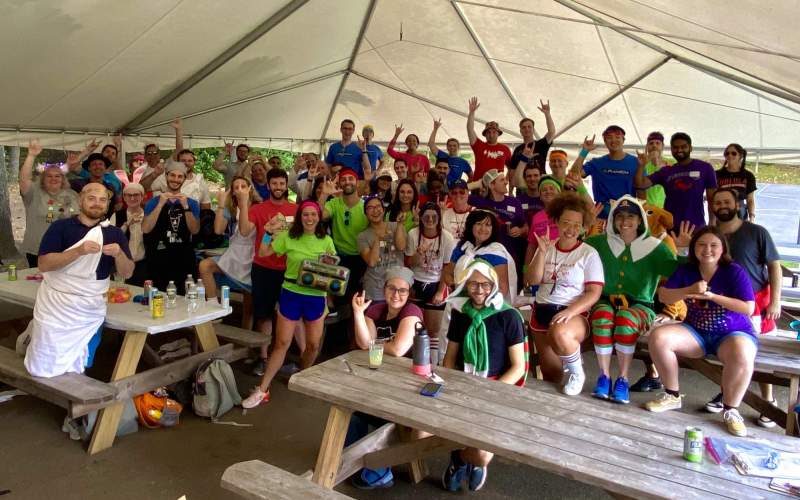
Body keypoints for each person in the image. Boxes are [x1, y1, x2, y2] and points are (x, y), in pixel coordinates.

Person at [644, 226, 757, 437]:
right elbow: (664, 296)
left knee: (742, 354)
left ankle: (731, 410)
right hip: (696, 332)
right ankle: (672, 394)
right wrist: (689, 291)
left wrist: (713, 297)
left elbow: (748, 308)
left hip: (732, 333)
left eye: (714, 245)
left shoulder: (733, 271)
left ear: (723, 249)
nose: (707, 250)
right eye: (701, 244)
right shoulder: (687, 271)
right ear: (694, 247)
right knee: (659, 337)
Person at [584, 196, 690, 404]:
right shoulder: (598, 243)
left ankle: (622, 379)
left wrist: (682, 251)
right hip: (605, 301)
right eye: (620, 216)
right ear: (613, 219)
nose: (625, 221)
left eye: (631, 216)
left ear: (640, 220)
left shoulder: (655, 247)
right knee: (603, 316)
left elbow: (678, 274)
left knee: (625, 320)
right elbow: (576, 253)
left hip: (640, 306)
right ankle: (604, 376)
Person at [25, 183, 134, 377]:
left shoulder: (114, 234)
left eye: (102, 200)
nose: (97, 204)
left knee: (81, 362)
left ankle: (72, 400)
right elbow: (44, 264)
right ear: (81, 200)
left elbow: (127, 273)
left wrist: (119, 254)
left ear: (108, 205)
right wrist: (79, 251)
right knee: (42, 364)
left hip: (90, 308)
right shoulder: (61, 227)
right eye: (92, 198)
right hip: (55, 306)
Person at [441, 260, 526, 492]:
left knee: (482, 455)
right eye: (473, 284)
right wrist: (452, 387)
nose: (479, 290)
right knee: (425, 431)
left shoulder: (509, 316)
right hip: (463, 383)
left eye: (486, 285)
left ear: (494, 285)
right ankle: (461, 458)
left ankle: (463, 459)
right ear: (465, 285)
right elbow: (450, 358)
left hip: (496, 386)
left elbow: (518, 366)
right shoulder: (460, 313)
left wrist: (489, 391)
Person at [242, 201, 336, 408]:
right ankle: (262, 389)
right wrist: (267, 232)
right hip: (291, 293)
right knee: (281, 344)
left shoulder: (326, 240)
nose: (309, 219)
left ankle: (302, 374)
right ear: (300, 217)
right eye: (305, 215)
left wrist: (328, 267)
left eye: (313, 215)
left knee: (312, 346)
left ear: (319, 217)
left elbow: (332, 269)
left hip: (315, 296)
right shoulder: (289, 237)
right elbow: (264, 253)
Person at [706, 188, 781, 427]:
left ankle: (768, 401)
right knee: (730, 350)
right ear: (712, 207)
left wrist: (775, 301)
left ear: (738, 204)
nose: (722, 205)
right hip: (725, 302)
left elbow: (774, 267)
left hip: (758, 302)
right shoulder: (711, 235)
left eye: (727, 201)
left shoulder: (757, 232)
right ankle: (728, 394)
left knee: (761, 352)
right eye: (717, 202)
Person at [345, 266, 424, 489]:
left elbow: (398, 349)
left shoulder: (412, 312)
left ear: (409, 293)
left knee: (383, 417)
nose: (396, 295)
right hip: (377, 377)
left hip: (407, 383)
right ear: (384, 288)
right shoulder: (376, 310)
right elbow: (362, 342)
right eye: (392, 288)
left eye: (402, 290)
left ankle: (379, 470)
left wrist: (372, 343)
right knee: (353, 413)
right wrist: (358, 314)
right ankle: (353, 462)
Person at [525, 192, 603, 395]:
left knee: (559, 332)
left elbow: (594, 292)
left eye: (577, 225)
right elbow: (532, 280)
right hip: (541, 311)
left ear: (583, 227)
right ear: (557, 222)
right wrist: (541, 252)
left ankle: (577, 371)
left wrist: (570, 311)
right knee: (551, 374)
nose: (571, 229)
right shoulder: (547, 247)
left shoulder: (588, 253)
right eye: (567, 223)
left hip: (572, 314)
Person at [239, 168, 297, 375]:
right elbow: (245, 230)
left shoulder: (296, 209)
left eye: (282, 183)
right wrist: (244, 201)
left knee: (289, 316)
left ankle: (283, 357)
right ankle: (263, 358)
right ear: (269, 185)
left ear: (286, 184)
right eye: (275, 184)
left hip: (290, 270)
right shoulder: (259, 208)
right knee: (263, 315)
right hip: (263, 268)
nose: (278, 187)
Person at [405, 202, 456, 363]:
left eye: (434, 217)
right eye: (427, 216)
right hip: (416, 283)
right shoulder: (413, 234)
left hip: (436, 284)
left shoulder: (447, 237)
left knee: (434, 331)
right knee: (415, 328)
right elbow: (408, 263)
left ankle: (433, 366)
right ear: (420, 218)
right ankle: (417, 362)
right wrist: (419, 254)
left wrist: (440, 291)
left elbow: (447, 267)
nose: (430, 220)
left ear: (439, 219)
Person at [141, 161, 200, 294]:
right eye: (172, 175)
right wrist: (160, 205)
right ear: (166, 176)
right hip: (158, 260)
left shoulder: (192, 203)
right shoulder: (154, 202)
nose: (176, 179)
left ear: (184, 179)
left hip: (183, 260)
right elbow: (145, 229)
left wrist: (186, 207)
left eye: (180, 177)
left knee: (184, 300)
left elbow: (195, 230)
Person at [19, 140, 80, 268]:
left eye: (57, 176)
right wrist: (31, 155)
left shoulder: (73, 194)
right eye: (49, 176)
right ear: (42, 178)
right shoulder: (34, 193)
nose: (54, 179)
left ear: (63, 179)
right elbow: (24, 179)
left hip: (67, 249)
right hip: (39, 249)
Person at [635, 132, 716, 228]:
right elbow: (640, 184)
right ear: (672, 150)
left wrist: (712, 224)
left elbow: (712, 199)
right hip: (670, 227)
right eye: (675, 147)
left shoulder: (705, 168)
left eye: (683, 147)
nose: (679, 150)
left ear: (690, 148)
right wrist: (641, 165)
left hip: (697, 226)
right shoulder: (666, 171)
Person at [198, 176, 259, 301]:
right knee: (205, 265)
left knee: (249, 302)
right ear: (233, 192)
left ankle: (247, 320)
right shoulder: (231, 208)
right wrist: (221, 204)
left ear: (250, 189)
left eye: (243, 186)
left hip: (252, 255)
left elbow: (245, 232)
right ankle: (213, 306)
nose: (240, 189)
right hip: (234, 254)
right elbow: (218, 230)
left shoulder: (258, 207)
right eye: (236, 187)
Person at [468, 169, 527, 291]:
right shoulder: (481, 202)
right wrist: (479, 183)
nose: (506, 182)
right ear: (492, 185)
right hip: (488, 255)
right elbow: (457, 191)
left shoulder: (514, 202)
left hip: (511, 255)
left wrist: (520, 230)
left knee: (510, 289)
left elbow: (526, 227)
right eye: (502, 180)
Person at [319, 169, 370, 301]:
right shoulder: (334, 203)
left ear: (357, 183)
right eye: (343, 179)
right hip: (339, 258)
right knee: (337, 297)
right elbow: (319, 215)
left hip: (361, 258)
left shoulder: (366, 206)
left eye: (350, 179)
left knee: (356, 298)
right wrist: (324, 194)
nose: (347, 182)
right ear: (340, 184)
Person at [447, 210, 517, 301]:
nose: (483, 228)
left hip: (486, 307)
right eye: (479, 224)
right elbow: (447, 273)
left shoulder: (496, 253)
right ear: (471, 225)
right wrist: (459, 289)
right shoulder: (462, 248)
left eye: (488, 225)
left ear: (493, 228)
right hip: (459, 302)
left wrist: (478, 303)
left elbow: (502, 289)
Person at [570, 126, 637, 219]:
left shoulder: (636, 162)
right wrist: (584, 151)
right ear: (605, 141)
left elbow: (642, 189)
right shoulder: (596, 163)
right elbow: (574, 175)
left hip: (628, 215)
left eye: (617, 137)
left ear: (623, 139)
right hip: (601, 216)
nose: (613, 140)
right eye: (609, 137)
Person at [358, 196, 407, 301]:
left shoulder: (395, 226)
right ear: (365, 213)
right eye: (370, 208)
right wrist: (377, 240)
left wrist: (399, 225)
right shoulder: (362, 236)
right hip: (375, 287)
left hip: (397, 284)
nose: (375, 210)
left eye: (378, 206)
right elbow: (371, 262)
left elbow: (401, 247)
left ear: (383, 209)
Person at [507, 102, 556, 189]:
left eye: (529, 127)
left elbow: (551, 132)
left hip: (540, 185)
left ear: (533, 129)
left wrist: (547, 114)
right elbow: (512, 172)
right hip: (522, 187)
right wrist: (510, 192)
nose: (527, 129)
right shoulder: (518, 149)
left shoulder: (540, 144)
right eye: (524, 127)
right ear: (520, 131)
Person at [467, 97, 512, 181]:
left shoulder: (505, 149)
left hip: (497, 188)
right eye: (488, 132)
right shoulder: (478, 145)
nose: (491, 135)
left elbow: (511, 169)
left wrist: (505, 181)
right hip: (479, 187)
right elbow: (470, 129)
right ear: (485, 134)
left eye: (494, 132)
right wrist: (471, 113)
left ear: (498, 134)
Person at [114, 183, 147, 285]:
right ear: (124, 197)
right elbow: (112, 239)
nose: (132, 198)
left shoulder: (149, 215)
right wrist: (127, 224)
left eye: (136, 195)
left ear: (142, 196)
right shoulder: (117, 215)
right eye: (129, 195)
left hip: (144, 264)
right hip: (123, 264)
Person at [524, 176, 562, 265]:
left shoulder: (568, 212)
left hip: (565, 263)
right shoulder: (537, 217)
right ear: (540, 196)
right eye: (544, 190)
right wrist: (526, 270)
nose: (548, 191)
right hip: (542, 264)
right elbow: (532, 246)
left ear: (559, 193)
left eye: (552, 189)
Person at [69, 153, 120, 219]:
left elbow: (113, 209)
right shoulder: (79, 184)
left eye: (100, 164)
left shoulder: (110, 187)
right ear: (89, 168)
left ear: (105, 168)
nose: (97, 167)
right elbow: (59, 178)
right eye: (94, 164)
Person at [715, 143, 756, 222]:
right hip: (722, 212)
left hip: (741, 213)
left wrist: (752, 217)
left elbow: (750, 199)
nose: (730, 155)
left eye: (733, 153)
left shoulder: (748, 176)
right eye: (727, 153)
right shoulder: (716, 174)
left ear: (740, 156)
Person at [428, 119, 472, 186]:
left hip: (454, 190)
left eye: (454, 146)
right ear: (447, 147)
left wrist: (464, 187)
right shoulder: (442, 155)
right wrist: (435, 128)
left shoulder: (463, 162)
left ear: (458, 147)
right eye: (450, 145)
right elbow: (431, 144)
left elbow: (471, 176)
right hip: (440, 187)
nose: (452, 147)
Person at [639, 132, 669, 208]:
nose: (654, 146)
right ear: (647, 147)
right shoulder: (640, 162)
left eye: (657, 143)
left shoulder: (672, 162)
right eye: (651, 143)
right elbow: (637, 184)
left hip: (666, 207)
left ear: (663, 146)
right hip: (645, 207)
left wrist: (658, 163)